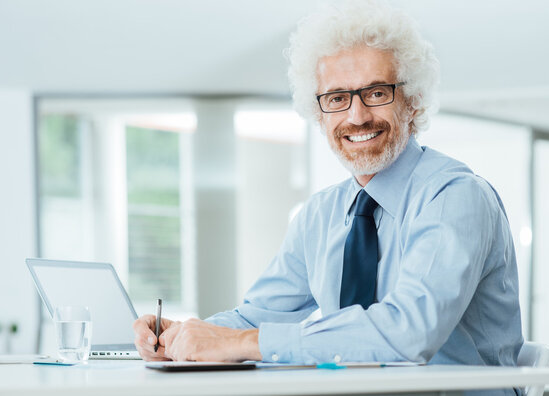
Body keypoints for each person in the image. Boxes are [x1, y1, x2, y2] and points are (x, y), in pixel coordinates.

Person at [133, 0, 523, 373]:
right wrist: (182, 335)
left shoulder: (455, 196)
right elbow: (258, 315)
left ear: (413, 101)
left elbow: (407, 332)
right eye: (337, 98)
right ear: (318, 115)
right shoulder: (320, 215)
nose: (356, 116)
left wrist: (242, 343)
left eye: (376, 93)